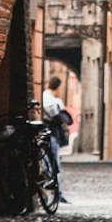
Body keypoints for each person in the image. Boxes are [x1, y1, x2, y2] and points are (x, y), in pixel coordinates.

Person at [41, 75, 70, 203]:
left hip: (51, 133)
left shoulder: (48, 97)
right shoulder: (48, 98)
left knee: (51, 162)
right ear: (57, 87)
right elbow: (54, 113)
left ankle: (56, 191)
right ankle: (56, 192)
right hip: (51, 133)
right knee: (53, 163)